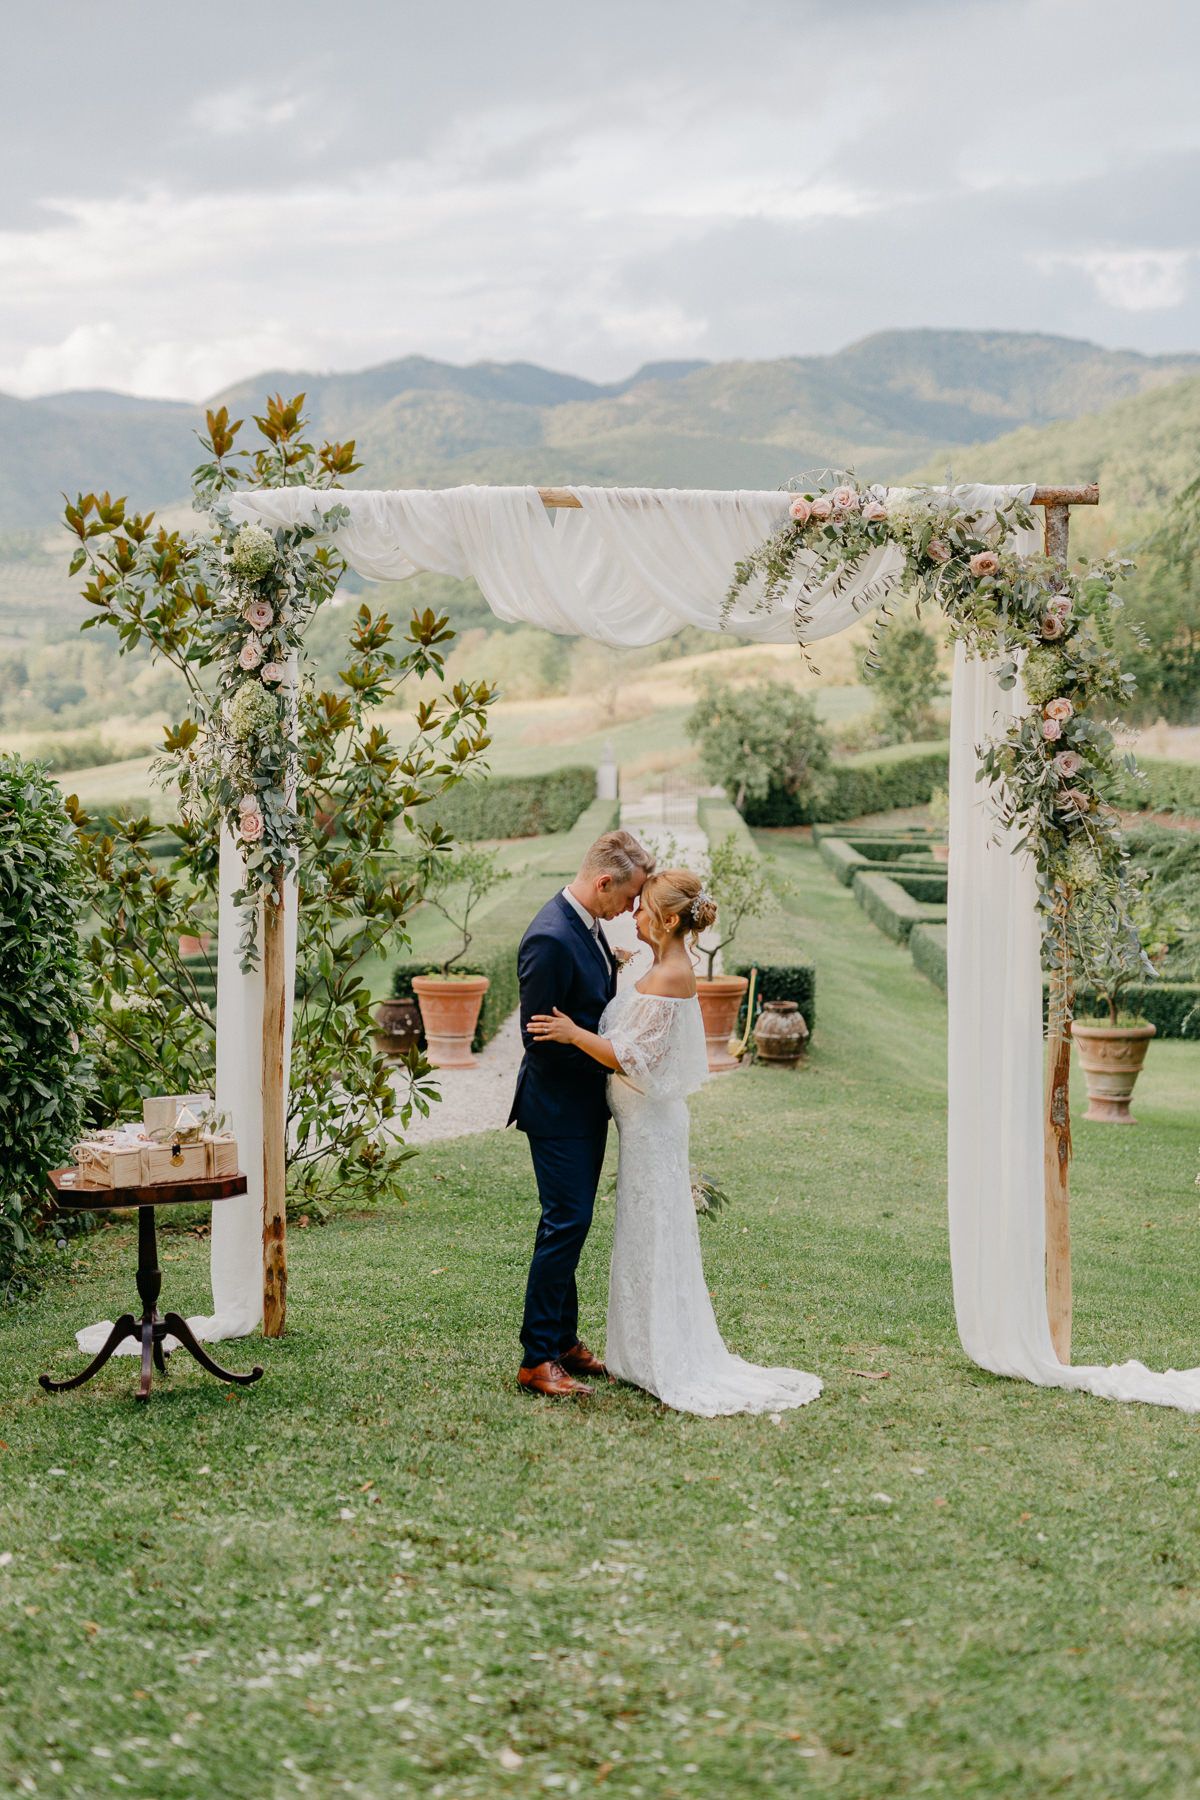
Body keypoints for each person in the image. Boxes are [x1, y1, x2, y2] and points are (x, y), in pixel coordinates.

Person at [528, 868, 822, 1417]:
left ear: (665, 920)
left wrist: (573, 1034)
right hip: (641, 1128)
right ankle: (638, 1350)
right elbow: (639, 1028)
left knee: (654, 1235)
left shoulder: (671, 974)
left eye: (641, 908)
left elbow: (633, 1057)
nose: (632, 915)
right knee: (643, 1234)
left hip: (651, 1132)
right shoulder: (659, 965)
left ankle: (660, 1354)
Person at [509, 829, 655, 1398]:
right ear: (602, 882)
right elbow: (540, 1041)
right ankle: (537, 1357)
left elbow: (581, 1004)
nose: (632, 907)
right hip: (558, 1110)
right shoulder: (548, 937)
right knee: (563, 1225)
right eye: (628, 896)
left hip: (584, 1107)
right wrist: (613, 1060)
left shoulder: (589, 928)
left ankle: (566, 1340)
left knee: (574, 1223)